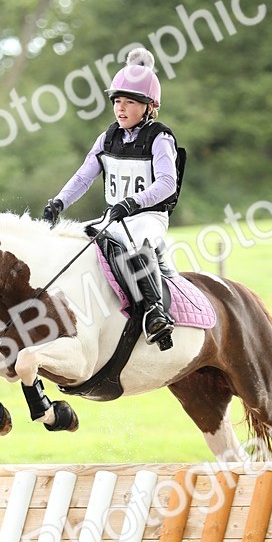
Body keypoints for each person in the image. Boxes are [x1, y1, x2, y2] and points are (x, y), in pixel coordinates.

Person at [42, 47, 183, 351]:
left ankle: (155, 312)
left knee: (131, 238)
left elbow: (168, 183)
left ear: (149, 107)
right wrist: (58, 203)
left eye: (130, 102)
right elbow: (83, 177)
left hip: (148, 216)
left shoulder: (160, 137)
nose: (121, 108)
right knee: (75, 241)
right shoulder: (108, 137)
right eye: (117, 101)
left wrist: (133, 203)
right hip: (116, 215)